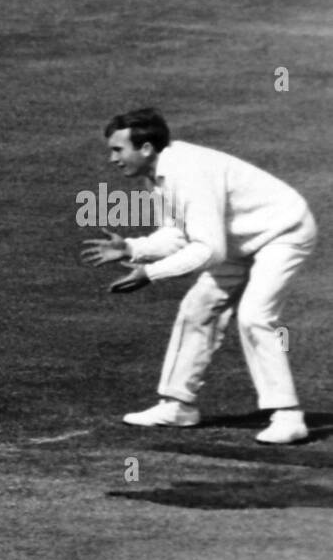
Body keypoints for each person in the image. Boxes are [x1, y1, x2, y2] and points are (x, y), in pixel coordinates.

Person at [81, 107, 317, 444]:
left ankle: (288, 416)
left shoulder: (187, 173)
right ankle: (178, 406)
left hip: (283, 232)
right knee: (198, 307)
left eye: (118, 149)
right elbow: (178, 234)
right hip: (238, 241)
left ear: (146, 148)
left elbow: (209, 251)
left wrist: (151, 272)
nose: (112, 158)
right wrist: (131, 248)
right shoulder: (156, 174)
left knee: (255, 316)